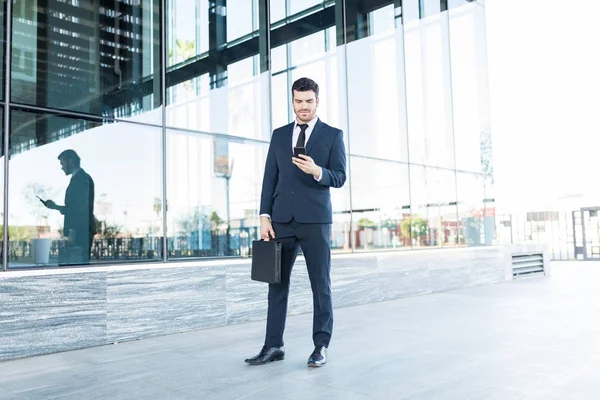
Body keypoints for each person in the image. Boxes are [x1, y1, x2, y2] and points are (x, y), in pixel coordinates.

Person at [245, 77, 347, 367]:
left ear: (317, 101)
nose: (303, 106)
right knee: (275, 285)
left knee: (320, 285)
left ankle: (320, 346)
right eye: (298, 101)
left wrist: (318, 171)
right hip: (281, 221)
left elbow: (339, 176)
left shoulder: (332, 135)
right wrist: (264, 215)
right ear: (292, 101)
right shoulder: (279, 135)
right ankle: (273, 345)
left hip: (315, 222)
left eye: (309, 101)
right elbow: (270, 179)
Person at [42, 150, 96, 264]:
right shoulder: (80, 178)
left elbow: (80, 209)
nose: (62, 168)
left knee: (78, 269)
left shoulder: (80, 179)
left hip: (81, 232)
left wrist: (73, 231)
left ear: (70, 161)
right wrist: (55, 206)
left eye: (62, 164)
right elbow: (73, 208)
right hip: (81, 231)